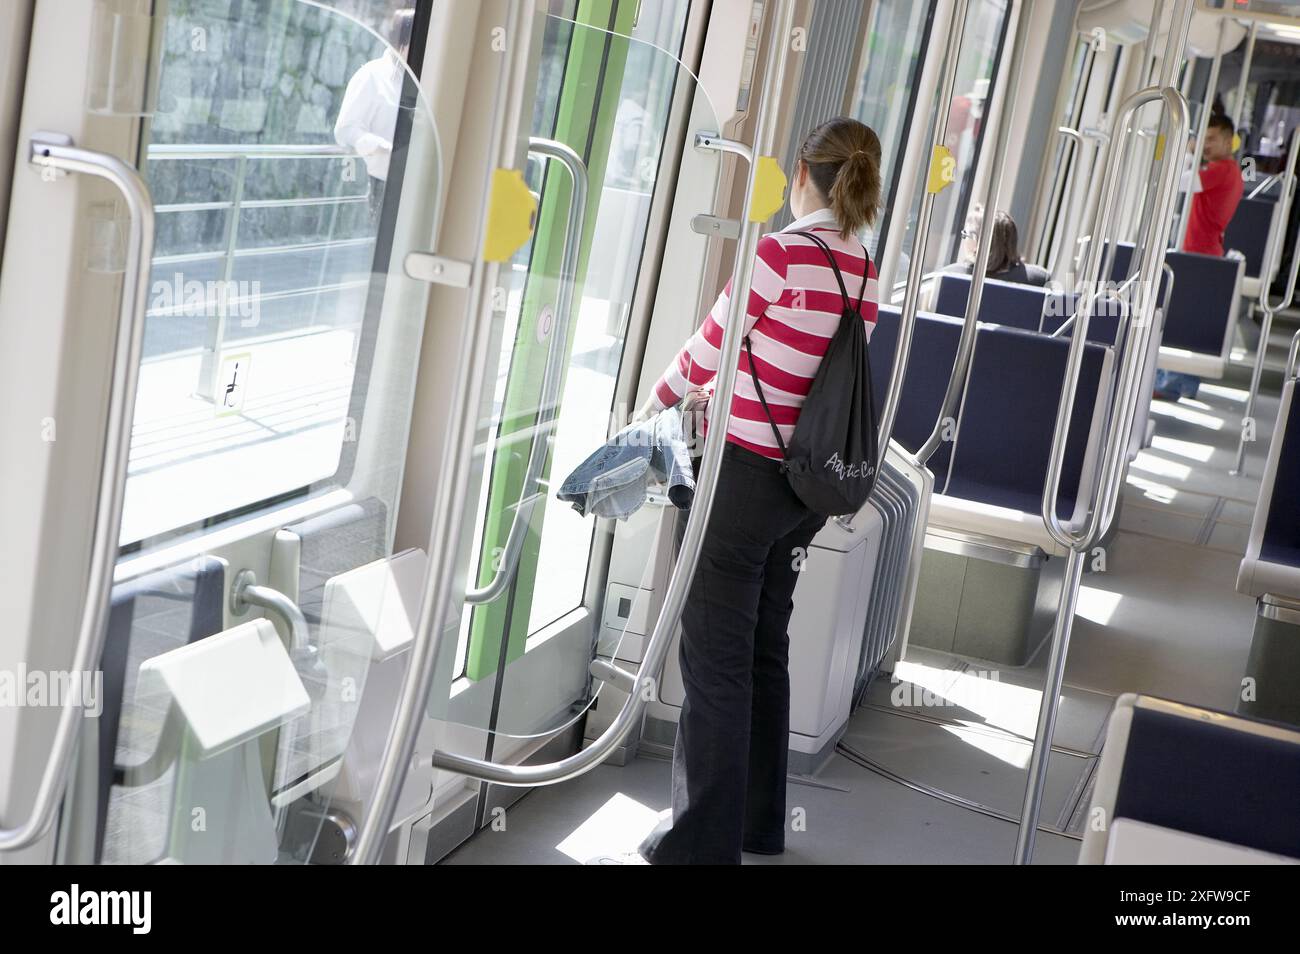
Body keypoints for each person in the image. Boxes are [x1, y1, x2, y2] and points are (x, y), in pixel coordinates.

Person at [603, 118, 882, 866]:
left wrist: (645, 407)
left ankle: (700, 843)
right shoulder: (862, 268)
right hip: (803, 490)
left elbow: (708, 350)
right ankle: (759, 824)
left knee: (714, 660)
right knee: (764, 646)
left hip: (738, 481)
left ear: (801, 174)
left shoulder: (781, 254)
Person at [1155, 113, 1244, 401]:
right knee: (1188, 319)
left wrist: (1189, 153)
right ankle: (1178, 383)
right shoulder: (1224, 170)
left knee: (1182, 321)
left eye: (1212, 138)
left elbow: (1181, 184)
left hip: (1201, 253)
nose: (1206, 144)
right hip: (1202, 251)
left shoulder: (1223, 170)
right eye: (1203, 139)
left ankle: (1173, 385)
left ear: (1229, 140)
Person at [333, 9, 415, 222]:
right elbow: (346, 129)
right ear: (403, 43)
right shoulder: (372, 76)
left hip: (413, 184)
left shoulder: (417, 82)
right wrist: (382, 147)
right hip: (382, 184)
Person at [943, 205, 1049, 286]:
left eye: (965, 235)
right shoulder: (1039, 279)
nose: (964, 240)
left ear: (977, 242)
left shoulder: (950, 276)